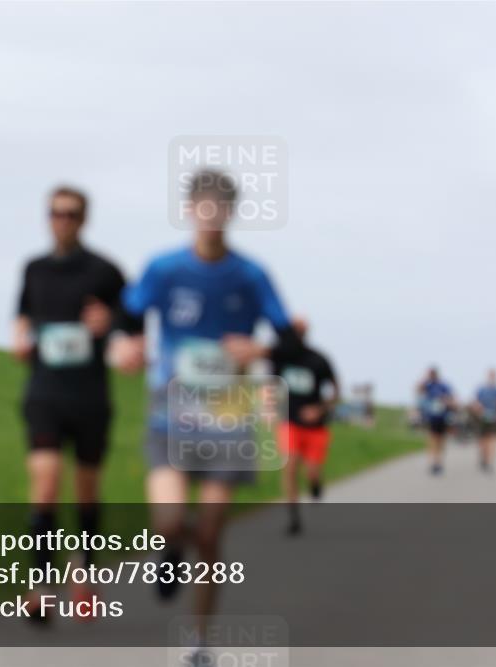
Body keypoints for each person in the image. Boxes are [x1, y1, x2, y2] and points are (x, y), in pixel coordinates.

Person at [109, 169, 301, 655]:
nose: (212, 217)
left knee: (212, 533)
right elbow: (126, 315)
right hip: (171, 411)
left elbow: (290, 340)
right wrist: (126, 345)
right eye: (203, 207)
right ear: (191, 210)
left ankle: (198, 639)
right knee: (169, 520)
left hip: (229, 413)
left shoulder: (251, 276)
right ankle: (171, 548)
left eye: (221, 208)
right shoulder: (165, 269)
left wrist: (259, 352)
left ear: (231, 213)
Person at [12, 185, 126, 621]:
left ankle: (87, 572)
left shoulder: (105, 271)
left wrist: (110, 322)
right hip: (44, 390)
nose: (62, 220)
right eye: (56, 213)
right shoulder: (34, 269)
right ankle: (40, 585)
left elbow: (130, 318)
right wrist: (19, 339)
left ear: (84, 219)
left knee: (86, 492)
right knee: (44, 484)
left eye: (71, 214)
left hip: (90, 395)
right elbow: (22, 313)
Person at [270, 317, 339, 535]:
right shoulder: (280, 359)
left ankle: (315, 484)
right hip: (290, 422)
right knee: (289, 466)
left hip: (315, 426)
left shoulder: (319, 360)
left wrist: (319, 409)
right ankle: (293, 517)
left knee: (312, 470)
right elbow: (270, 385)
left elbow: (336, 391)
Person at [416, 366, 456, 476]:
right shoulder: (427, 385)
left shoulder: (444, 385)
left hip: (443, 417)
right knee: (432, 439)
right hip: (431, 417)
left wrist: (447, 401)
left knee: (441, 441)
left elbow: (452, 399)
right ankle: (433, 462)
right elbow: (418, 390)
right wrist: (425, 379)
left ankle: (439, 462)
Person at [470, 369, 496, 472]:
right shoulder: (481, 389)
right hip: (481, 418)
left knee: (490, 439)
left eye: (494, 376)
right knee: (482, 440)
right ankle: (484, 456)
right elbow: (475, 402)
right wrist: (478, 408)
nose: (492, 378)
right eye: (491, 376)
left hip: (493, 418)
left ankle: (488, 461)